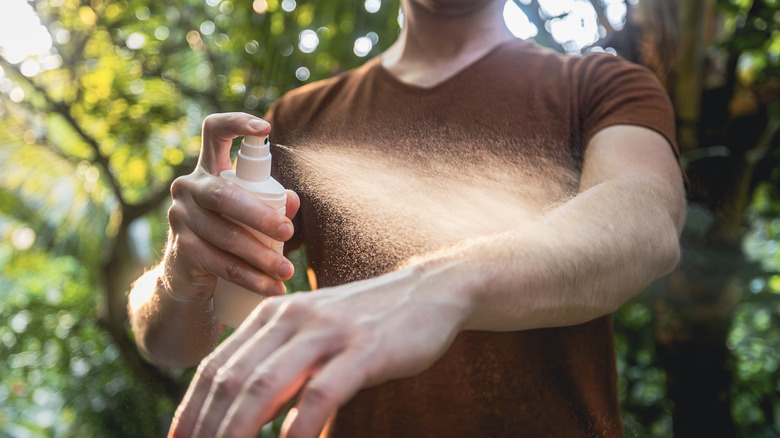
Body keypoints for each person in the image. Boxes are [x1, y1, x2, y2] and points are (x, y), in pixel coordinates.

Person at [128, 0, 686, 436]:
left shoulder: (599, 86)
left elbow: (646, 216)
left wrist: (438, 286)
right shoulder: (299, 119)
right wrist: (181, 274)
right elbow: (170, 346)